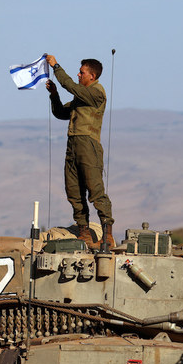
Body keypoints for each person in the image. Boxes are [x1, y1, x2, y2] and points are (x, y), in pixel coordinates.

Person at [44, 54, 114, 249]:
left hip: (88, 146)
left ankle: (107, 234)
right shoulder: (80, 97)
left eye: (82, 72)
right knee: (74, 191)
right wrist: (54, 94)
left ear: (92, 76)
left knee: (95, 190)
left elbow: (70, 86)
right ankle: (84, 233)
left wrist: (56, 66)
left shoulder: (96, 93)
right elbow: (61, 113)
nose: (78, 74)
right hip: (73, 145)